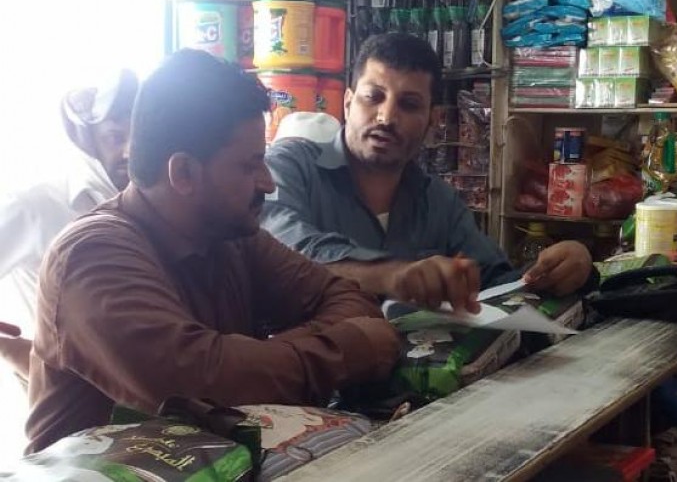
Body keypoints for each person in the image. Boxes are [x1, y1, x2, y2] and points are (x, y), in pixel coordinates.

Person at [26, 50, 399, 454]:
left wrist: (256, 359)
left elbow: (349, 301)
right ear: (184, 172)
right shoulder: (91, 257)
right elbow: (206, 388)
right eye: (249, 166)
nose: (268, 183)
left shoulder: (232, 235)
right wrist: (346, 350)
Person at [262, 32, 595, 313]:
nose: (386, 117)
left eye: (408, 104)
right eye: (373, 97)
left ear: (433, 121)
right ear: (348, 103)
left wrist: (563, 269)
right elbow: (279, 255)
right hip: (308, 367)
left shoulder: (438, 202)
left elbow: (494, 283)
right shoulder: (290, 168)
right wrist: (391, 275)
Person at [0, 70, 138, 381]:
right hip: (61, 400)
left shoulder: (150, 209)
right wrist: (11, 350)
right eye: (115, 137)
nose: (129, 151)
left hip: (141, 393)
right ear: (87, 139)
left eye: (138, 137)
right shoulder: (35, 207)